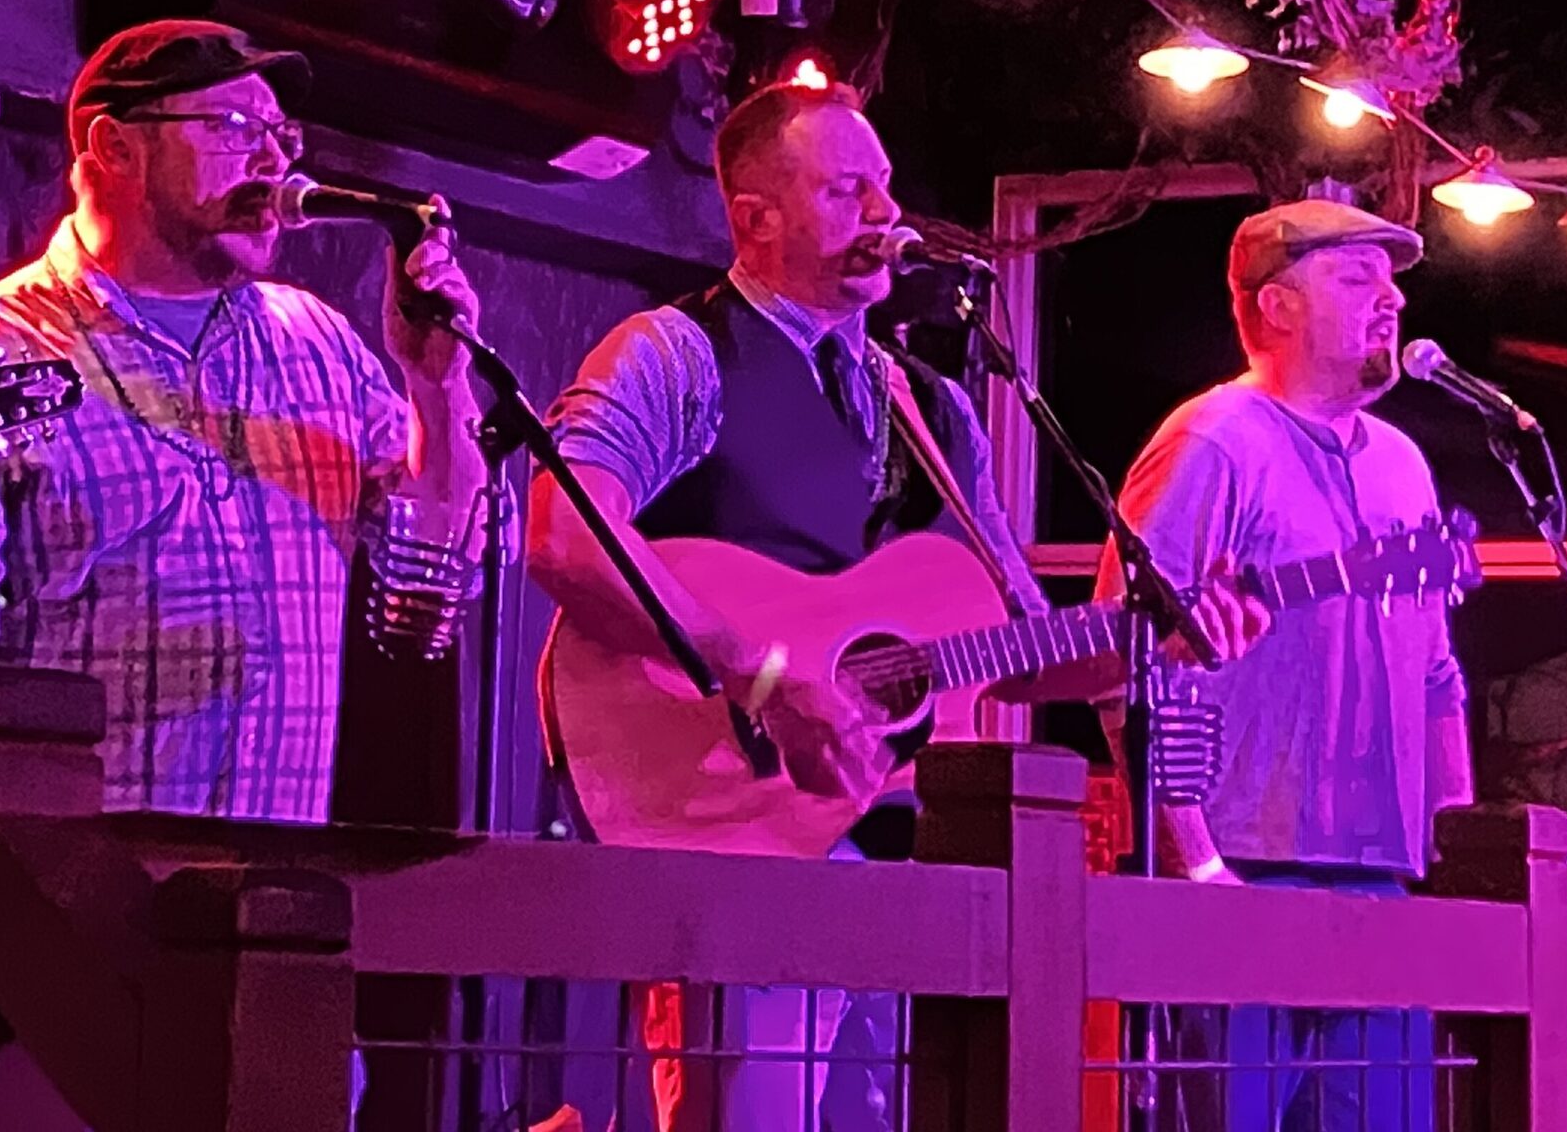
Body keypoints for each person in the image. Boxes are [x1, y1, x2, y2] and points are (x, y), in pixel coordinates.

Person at [531, 77, 1258, 1132]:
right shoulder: (677, 355)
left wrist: (1156, 638)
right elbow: (564, 532)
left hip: (899, 848)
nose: (885, 217)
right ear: (753, 218)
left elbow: (1010, 649)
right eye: (844, 192)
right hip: (734, 822)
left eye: (883, 189)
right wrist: (765, 674)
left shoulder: (932, 404)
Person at [0, 19, 484, 1111]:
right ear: (110, 148)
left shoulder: (319, 348)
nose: (275, 161)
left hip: (279, 967)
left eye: (282, 133)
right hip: (63, 976)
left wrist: (434, 392)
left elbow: (425, 596)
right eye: (234, 128)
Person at [1099, 199, 1472, 1132]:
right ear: (1277, 308)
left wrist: (1464, 863)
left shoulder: (1403, 466)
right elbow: (1123, 664)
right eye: (1358, 277)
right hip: (1242, 876)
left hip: (1382, 885)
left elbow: (1438, 678)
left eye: (1392, 281)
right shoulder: (1211, 441)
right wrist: (1198, 865)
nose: (1391, 299)